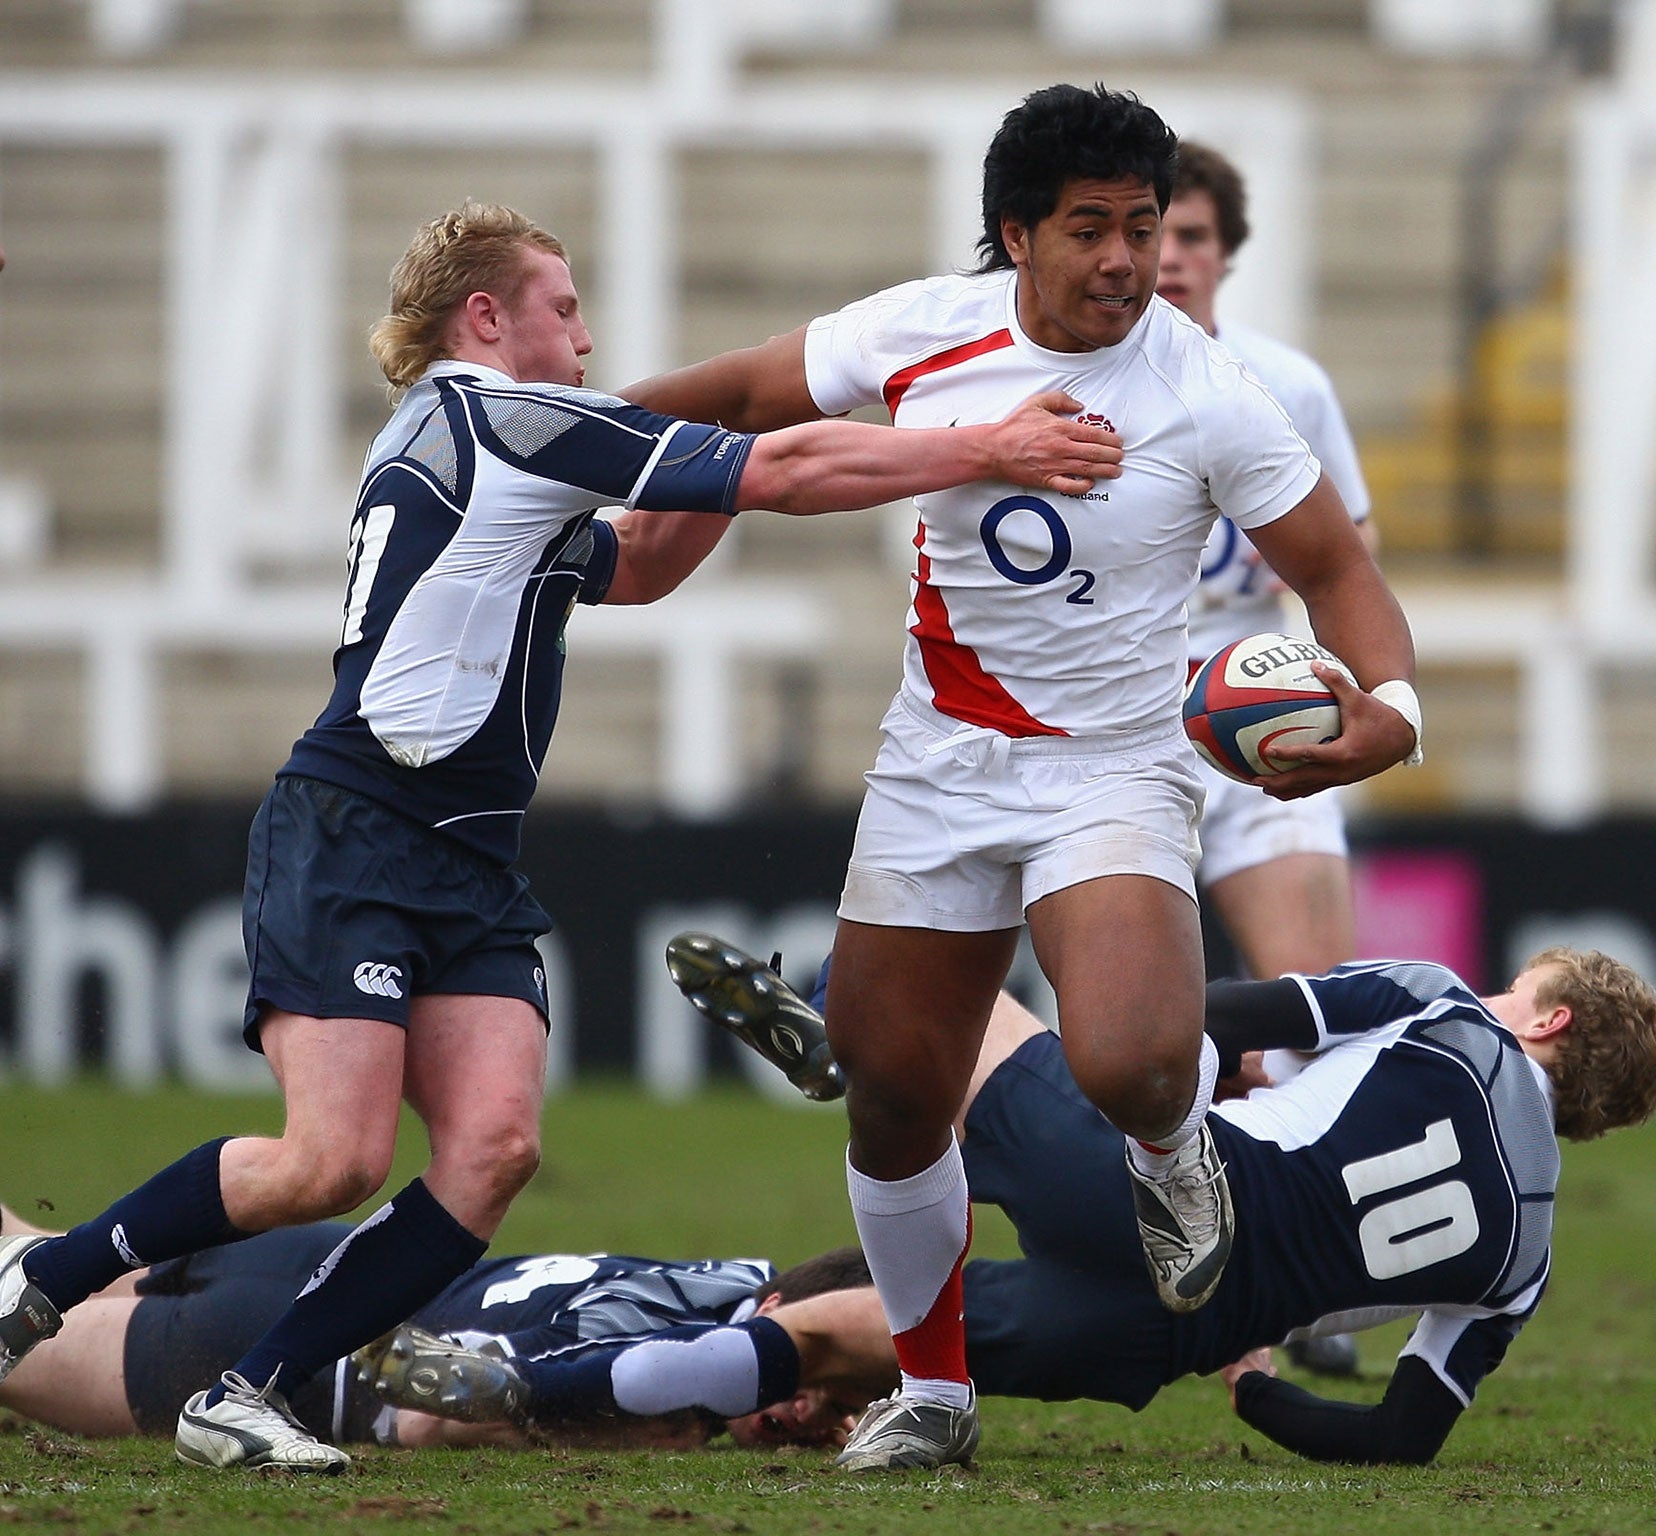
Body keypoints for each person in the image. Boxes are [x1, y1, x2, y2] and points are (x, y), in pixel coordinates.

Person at [0, 199, 1121, 1475]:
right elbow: (792, 478)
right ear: (486, 317)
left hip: (465, 859)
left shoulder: (494, 451)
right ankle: (43, 1283)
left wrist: (740, 422)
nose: (585, 340)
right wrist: (983, 445)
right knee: (328, 1159)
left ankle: (248, 1390)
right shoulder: (495, 417)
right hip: (359, 826)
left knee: (493, 1150)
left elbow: (637, 567)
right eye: (564, 308)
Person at [618, 83, 1425, 1472]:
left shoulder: (1207, 392)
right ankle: (934, 1396)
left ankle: (1178, 1158)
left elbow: (1338, 568)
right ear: (1018, 234)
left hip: (1111, 763)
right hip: (937, 759)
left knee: (1128, 1055)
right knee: (888, 1088)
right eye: (1093, 231)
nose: (1126, 260)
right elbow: (743, 394)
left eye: (1145, 228)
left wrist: (1395, 711)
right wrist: (549, 436)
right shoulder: (922, 328)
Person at [370, 932, 1656, 1468]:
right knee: (846, 1333)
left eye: (1527, 989)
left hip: (1156, 1181)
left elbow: (1217, 1011)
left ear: (1550, 1017)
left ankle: (843, 1027)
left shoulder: (1443, 1009)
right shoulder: (1524, 1252)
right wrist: (1255, 1387)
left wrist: (1194, 1062)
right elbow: (1405, 1434)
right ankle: (533, 1392)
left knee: (927, 976)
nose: (1504, 992)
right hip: (1156, 1339)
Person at [0, 1201, 874, 1454]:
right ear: (770, 1323)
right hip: (303, 1359)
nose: (811, 1414)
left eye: (838, 1408)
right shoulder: (673, 1364)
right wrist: (609, 1437)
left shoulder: (734, 1280)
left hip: (315, 1251)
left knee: (25, 1266)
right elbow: (429, 1408)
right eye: (812, 1380)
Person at [1162, 141, 1377, 985]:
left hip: (1259, 704)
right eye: (1157, 233)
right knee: (1134, 1037)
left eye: (1194, 234)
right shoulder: (1075, 388)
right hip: (1117, 719)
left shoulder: (1291, 386)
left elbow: (1356, 554)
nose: (1174, 256)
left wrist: (1307, 561)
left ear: (1227, 253)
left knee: (1316, 1005)